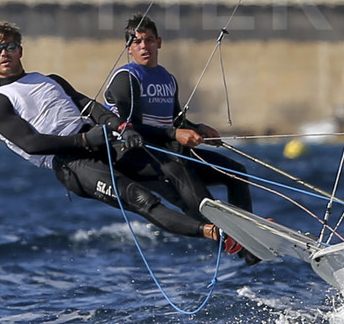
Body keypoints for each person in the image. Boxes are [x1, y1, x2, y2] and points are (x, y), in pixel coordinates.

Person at [0, 20, 234, 248]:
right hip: (73, 163)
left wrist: (122, 127)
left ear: (20, 51)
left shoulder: (49, 79)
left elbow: (90, 106)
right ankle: (213, 233)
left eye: (10, 47)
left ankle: (233, 232)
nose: (4, 54)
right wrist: (83, 140)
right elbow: (30, 143)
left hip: (102, 141)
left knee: (171, 167)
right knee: (141, 198)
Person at [105, 15, 256, 218]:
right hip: (135, 154)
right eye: (137, 41)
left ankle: (246, 230)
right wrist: (176, 134)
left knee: (236, 171)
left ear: (158, 42)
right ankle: (221, 226)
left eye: (149, 39)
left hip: (167, 150)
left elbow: (176, 121)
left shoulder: (168, 79)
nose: (143, 46)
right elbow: (130, 127)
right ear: (128, 48)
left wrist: (198, 128)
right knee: (180, 169)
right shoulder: (126, 78)